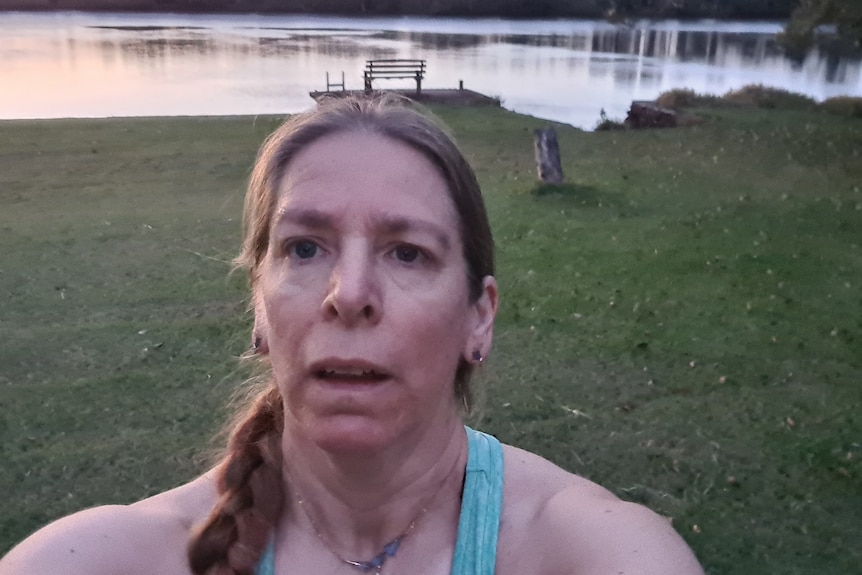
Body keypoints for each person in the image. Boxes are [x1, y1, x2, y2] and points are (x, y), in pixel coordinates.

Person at [0, 95, 703, 575]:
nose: (351, 294)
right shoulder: (120, 556)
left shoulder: (588, 550)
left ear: (478, 315)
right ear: (259, 305)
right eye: (305, 248)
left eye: (408, 252)